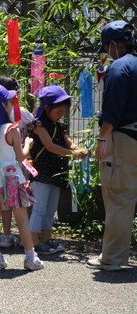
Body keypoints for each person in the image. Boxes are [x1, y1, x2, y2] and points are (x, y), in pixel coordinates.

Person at [87, 20, 137, 271]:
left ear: (114, 44)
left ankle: (113, 259)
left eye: (106, 48)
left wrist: (102, 139)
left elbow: (112, 112)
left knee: (119, 199)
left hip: (124, 140)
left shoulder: (119, 68)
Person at [0, 84, 43, 271]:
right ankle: (31, 258)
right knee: (22, 219)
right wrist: (28, 144)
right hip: (13, 182)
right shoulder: (11, 129)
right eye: (9, 101)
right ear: (4, 106)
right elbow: (20, 157)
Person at [28, 86, 87, 255]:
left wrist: (78, 148)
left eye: (64, 112)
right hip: (41, 174)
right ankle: (33, 241)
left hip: (56, 173)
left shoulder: (60, 126)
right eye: (58, 111)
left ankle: (46, 239)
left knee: (50, 210)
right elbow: (50, 146)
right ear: (47, 108)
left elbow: (68, 142)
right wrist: (72, 153)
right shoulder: (38, 124)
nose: (61, 115)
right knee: (39, 209)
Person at [0, 76, 34, 248]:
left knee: (4, 203)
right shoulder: (22, 113)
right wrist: (29, 144)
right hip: (19, 164)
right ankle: (29, 238)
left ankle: (6, 235)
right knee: (23, 203)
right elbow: (33, 125)